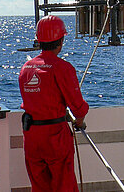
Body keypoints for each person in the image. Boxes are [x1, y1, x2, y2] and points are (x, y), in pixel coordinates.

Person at [19, 15, 89, 192]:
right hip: (55, 139)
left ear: (39, 40)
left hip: (32, 138)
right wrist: (79, 121)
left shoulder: (26, 68)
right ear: (61, 40)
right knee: (63, 185)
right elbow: (78, 107)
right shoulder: (63, 68)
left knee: (39, 186)